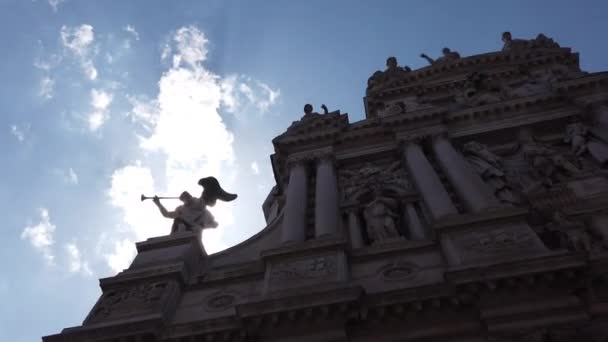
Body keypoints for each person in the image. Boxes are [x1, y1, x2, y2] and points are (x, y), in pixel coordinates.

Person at [153, 191, 217, 234]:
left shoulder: (203, 208)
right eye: (184, 200)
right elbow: (166, 214)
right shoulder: (181, 209)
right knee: (179, 221)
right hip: (181, 229)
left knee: (197, 228)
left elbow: (214, 224)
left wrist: (206, 225)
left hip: (194, 232)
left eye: (187, 197)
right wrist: (158, 203)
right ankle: (176, 237)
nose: (187, 200)